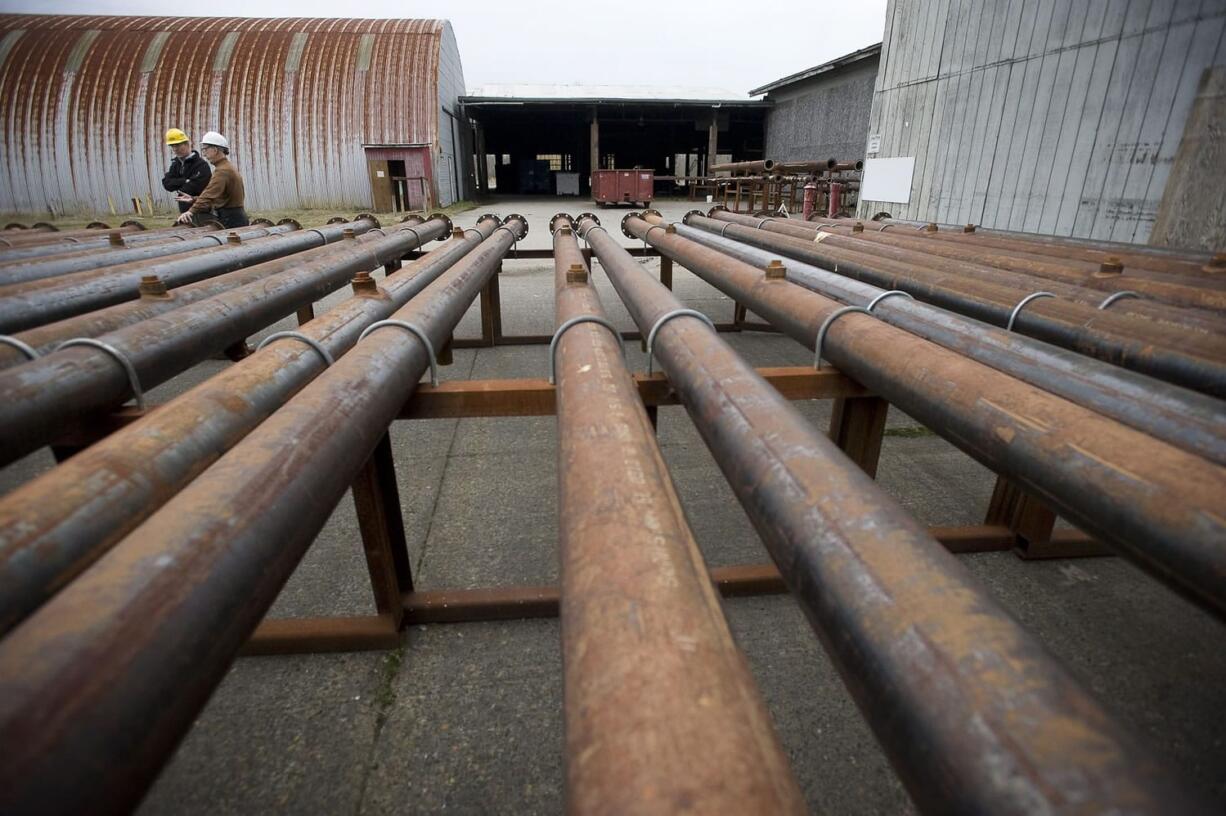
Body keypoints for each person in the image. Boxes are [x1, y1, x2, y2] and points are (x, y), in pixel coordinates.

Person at [175, 131, 249, 228]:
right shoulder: (226, 167)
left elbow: (209, 195)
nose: (204, 154)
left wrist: (190, 211)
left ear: (214, 149)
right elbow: (219, 198)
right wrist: (193, 199)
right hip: (235, 218)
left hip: (231, 221)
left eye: (205, 149)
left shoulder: (222, 171)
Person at [160, 128, 211, 214]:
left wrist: (176, 183)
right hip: (184, 209)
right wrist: (185, 181)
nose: (175, 149)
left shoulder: (201, 165)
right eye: (172, 146)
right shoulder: (176, 164)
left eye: (178, 145)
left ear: (187, 144)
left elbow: (192, 188)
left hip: (200, 210)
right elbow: (167, 184)